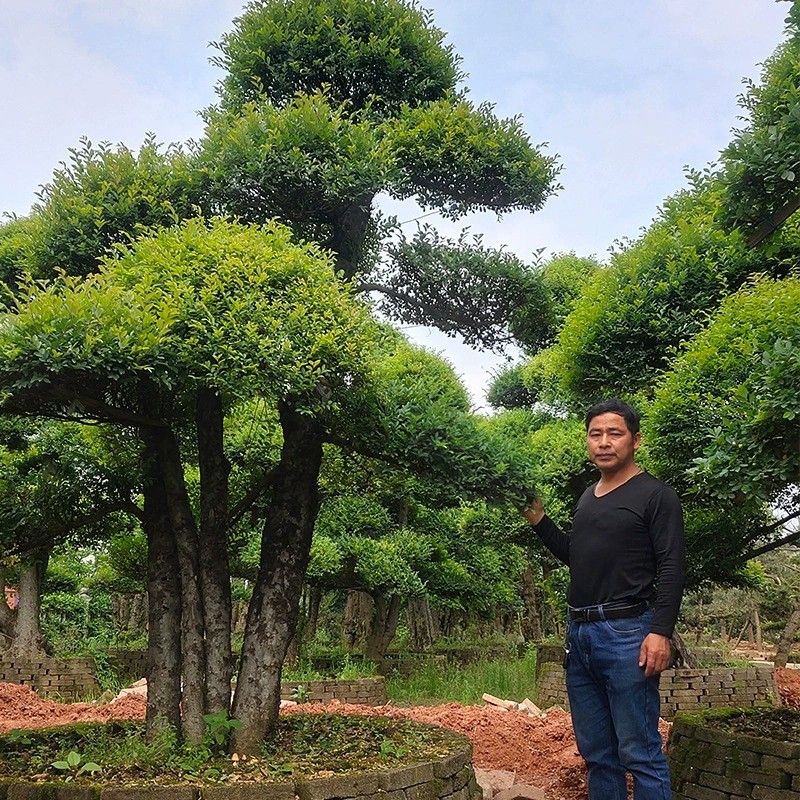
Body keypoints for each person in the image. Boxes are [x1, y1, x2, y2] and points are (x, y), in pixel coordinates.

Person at [522, 398, 685, 800]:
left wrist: (660, 631)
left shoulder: (656, 495)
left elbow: (672, 566)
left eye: (615, 433)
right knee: (598, 755)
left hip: (628, 632)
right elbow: (574, 556)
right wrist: (540, 521)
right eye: (596, 434)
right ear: (587, 441)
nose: (604, 442)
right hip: (580, 635)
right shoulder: (587, 497)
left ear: (635, 440)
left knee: (641, 753)